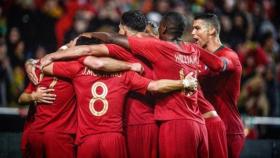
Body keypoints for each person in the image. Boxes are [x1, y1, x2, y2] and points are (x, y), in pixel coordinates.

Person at [40, 11, 209, 158]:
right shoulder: (165, 46)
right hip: (159, 119)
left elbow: (88, 50)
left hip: (137, 122)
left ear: (124, 28)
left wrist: (55, 54)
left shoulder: (124, 49)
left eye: (120, 29)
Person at [192, 13, 244, 158]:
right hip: (206, 127)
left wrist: (193, 49)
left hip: (229, 130)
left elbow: (218, 64)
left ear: (212, 30)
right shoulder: (198, 58)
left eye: (197, 28)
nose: (192, 33)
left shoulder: (230, 56)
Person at [18, 85, 55, 158]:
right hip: (34, 134)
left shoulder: (71, 78)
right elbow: (21, 99)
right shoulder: (38, 77)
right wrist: (33, 96)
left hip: (56, 137)